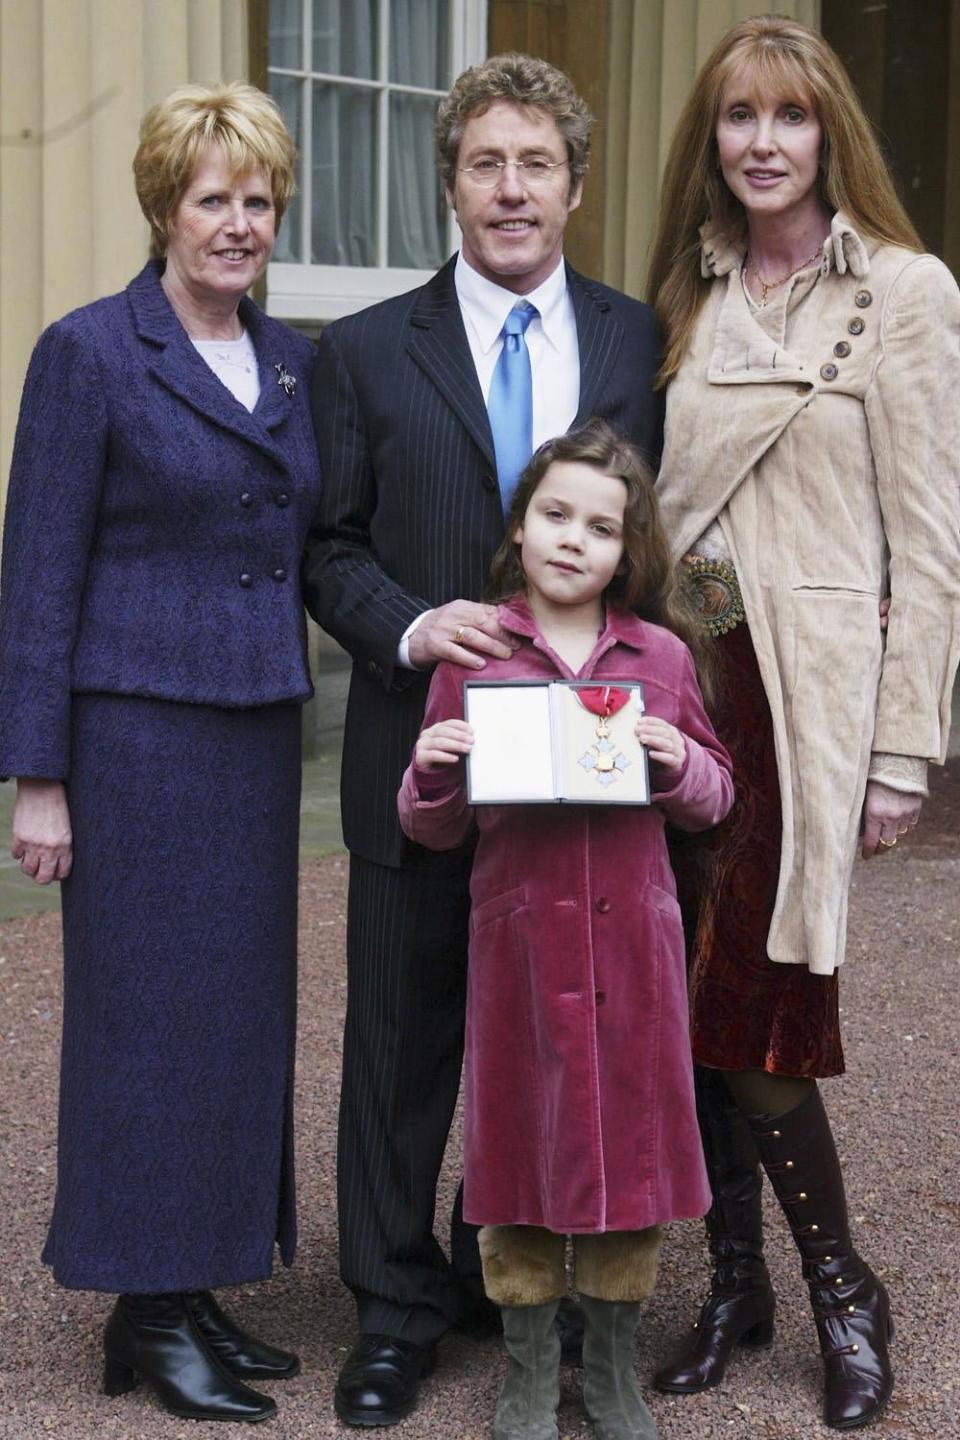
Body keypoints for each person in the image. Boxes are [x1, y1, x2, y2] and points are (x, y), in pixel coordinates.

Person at [302, 52, 664, 1427]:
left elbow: (655, 535)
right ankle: (395, 1311)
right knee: (400, 1045)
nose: (510, 190)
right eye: (482, 163)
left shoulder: (635, 343)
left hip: (584, 780)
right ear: (447, 181)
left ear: (575, 183)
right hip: (424, 753)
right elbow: (327, 548)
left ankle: (533, 1290)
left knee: (564, 1042)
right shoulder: (365, 350)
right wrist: (409, 626)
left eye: (536, 164)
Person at [644, 16, 960, 1431]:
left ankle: (846, 1288)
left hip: (807, 697)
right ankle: (737, 1286)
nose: (761, 142)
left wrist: (905, 749)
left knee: (763, 997)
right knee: (686, 990)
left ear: (830, 131)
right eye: (736, 118)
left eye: (788, 115)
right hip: (684, 680)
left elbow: (933, 542)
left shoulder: (903, 290)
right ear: (709, 139)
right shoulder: (686, 297)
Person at [0, 84, 321, 1424]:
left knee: (236, 1025)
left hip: (254, 736)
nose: (238, 224)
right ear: (162, 207)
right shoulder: (89, 353)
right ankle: (141, 1302)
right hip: (132, 739)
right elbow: (39, 574)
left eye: (257, 201)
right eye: (213, 199)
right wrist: (40, 774)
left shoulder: (289, 357)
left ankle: (191, 1290)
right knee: (143, 1026)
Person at [397, 421, 733, 1440]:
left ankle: (616, 1368)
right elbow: (430, 823)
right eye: (554, 515)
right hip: (520, 952)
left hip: (633, 950)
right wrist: (434, 767)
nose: (572, 540)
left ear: (628, 549)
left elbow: (716, 802)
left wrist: (675, 755)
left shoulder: (662, 656)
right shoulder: (477, 652)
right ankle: (530, 1372)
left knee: (629, 1152)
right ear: (521, 524)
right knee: (516, 1151)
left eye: (599, 525)